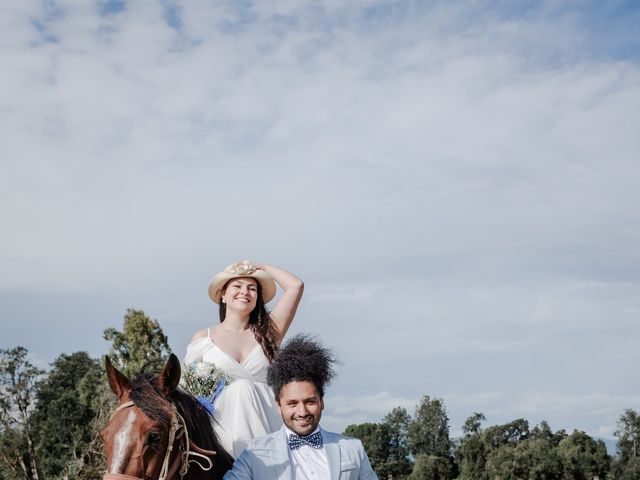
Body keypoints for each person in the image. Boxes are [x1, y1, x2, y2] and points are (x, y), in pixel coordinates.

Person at [184, 260, 304, 458]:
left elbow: (295, 286)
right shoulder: (203, 338)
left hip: (267, 424)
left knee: (245, 388)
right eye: (237, 286)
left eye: (252, 288)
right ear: (223, 294)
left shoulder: (269, 332)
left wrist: (262, 267)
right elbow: (191, 393)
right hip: (221, 431)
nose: (245, 292)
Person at [224, 335, 379, 480]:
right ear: (279, 406)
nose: (302, 412)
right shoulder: (254, 453)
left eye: (309, 402)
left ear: (322, 402)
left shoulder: (352, 448)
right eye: (292, 403)